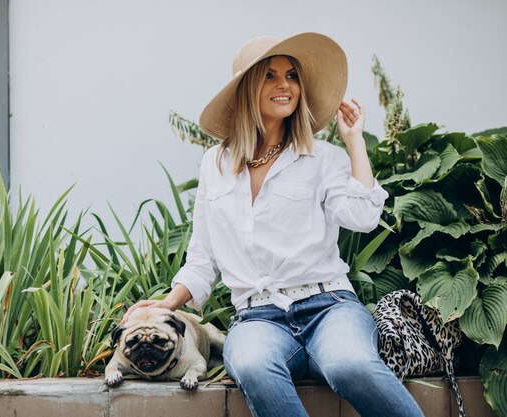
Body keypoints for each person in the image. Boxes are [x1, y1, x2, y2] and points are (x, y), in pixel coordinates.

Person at [125, 32, 424, 417]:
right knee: (251, 365)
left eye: (292, 76)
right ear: (247, 88)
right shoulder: (214, 165)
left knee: (349, 365)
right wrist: (168, 303)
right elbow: (203, 257)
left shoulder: (322, 158)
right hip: (258, 317)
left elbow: (363, 218)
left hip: (328, 307)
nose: (285, 86)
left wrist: (355, 143)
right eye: (270, 75)